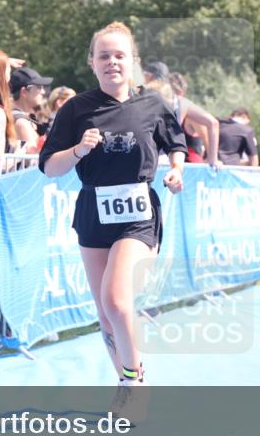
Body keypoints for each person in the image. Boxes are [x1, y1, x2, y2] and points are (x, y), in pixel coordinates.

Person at [39, 22, 187, 388]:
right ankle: (124, 379)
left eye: (119, 55)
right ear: (92, 62)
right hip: (93, 211)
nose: (112, 62)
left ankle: (135, 382)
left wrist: (176, 170)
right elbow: (49, 167)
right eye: (104, 56)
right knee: (105, 315)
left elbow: (176, 143)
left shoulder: (152, 103)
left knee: (117, 301)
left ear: (132, 61)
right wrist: (78, 150)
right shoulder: (76, 109)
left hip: (138, 213)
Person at [169, 72, 220, 167]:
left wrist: (212, 159)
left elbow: (207, 135)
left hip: (190, 162)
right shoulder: (176, 106)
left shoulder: (188, 112)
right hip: (178, 161)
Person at [9, 66, 52, 153]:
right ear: (24, 92)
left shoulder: (25, 118)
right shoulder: (21, 122)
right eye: (39, 87)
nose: (43, 92)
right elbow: (34, 158)